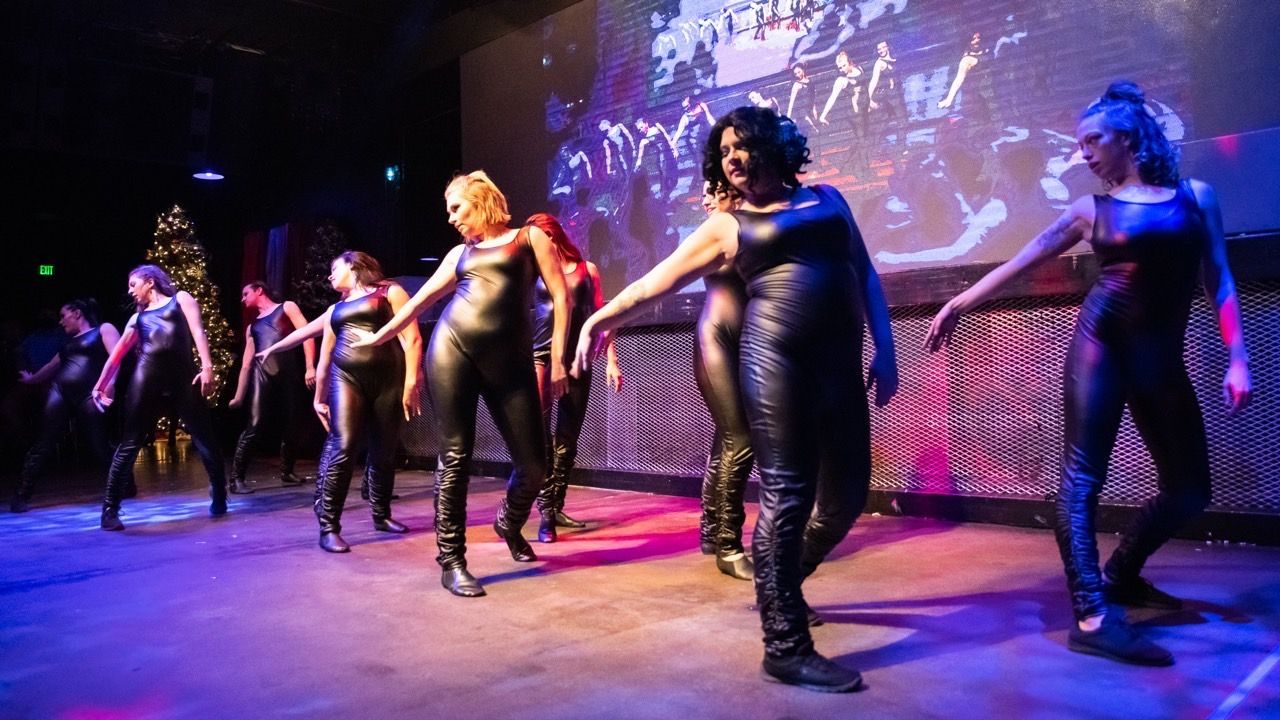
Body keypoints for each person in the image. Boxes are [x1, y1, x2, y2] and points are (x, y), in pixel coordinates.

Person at [925, 81, 1251, 666]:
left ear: (1128, 138)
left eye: (1093, 140)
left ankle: (1121, 574)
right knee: (1080, 482)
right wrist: (956, 303)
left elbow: (1218, 278)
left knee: (1191, 489)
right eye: (1079, 145)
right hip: (1099, 347)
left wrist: (1238, 357)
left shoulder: (1196, 197)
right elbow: (1021, 261)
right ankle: (1092, 613)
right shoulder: (1089, 211)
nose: (1085, 154)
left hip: (1160, 358)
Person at [574, 107, 897, 692]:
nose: (733, 159)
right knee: (789, 492)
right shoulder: (729, 224)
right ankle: (785, 644)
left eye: (742, 146)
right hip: (774, 361)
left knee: (847, 495)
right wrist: (598, 316)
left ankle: (781, 582)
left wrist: (888, 345)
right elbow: (655, 282)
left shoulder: (829, 199)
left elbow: (866, 273)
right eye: (724, 152)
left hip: (840, 366)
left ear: (774, 146)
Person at [350, 171, 570, 598]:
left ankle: (507, 522)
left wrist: (558, 359)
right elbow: (420, 301)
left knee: (534, 464)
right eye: (448, 212)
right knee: (456, 457)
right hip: (453, 350)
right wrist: (382, 334)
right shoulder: (458, 255)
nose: (451, 218)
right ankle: (452, 560)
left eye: (457, 208)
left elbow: (561, 297)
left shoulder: (529, 238)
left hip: (512, 362)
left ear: (481, 200)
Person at [90, 265, 228, 531]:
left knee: (204, 438)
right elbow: (116, 356)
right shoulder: (137, 319)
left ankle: (220, 495)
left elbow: (199, 332)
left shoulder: (182, 300)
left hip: (183, 378)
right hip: (147, 379)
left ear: (150, 282)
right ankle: (110, 510)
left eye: (133, 285)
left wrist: (207, 367)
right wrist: (99, 385)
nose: (130, 291)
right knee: (129, 443)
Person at [309, 252, 421, 553]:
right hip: (346, 378)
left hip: (389, 380)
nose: (330, 275)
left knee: (384, 449)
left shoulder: (390, 292)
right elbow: (324, 358)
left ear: (354, 265)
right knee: (344, 445)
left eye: (334, 269)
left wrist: (412, 381)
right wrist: (318, 397)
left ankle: (381, 515)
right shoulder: (336, 308)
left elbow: (412, 339)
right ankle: (328, 526)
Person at [523, 212, 622, 544]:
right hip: (541, 358)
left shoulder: (586, 270)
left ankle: (555, 506)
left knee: (567, 439)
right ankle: (546, 515)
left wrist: (612, 360)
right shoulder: (532, 271)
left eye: (542, 237)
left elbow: (600, 318)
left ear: (554, 237)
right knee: (541, 436)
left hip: (577, 360)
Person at [692, 182, 753, 582]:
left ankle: (711, 528)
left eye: (711, 191)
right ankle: (729, 545)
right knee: (741, 440)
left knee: (726, 438)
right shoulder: (713, 230)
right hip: (714, 339)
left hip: (745, 342)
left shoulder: (750, 226)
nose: (703, 199)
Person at [11, 300, 119, 512]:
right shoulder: (67, 342)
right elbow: (52, 366)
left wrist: (111, 384)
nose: (61, 322)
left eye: (63, 316)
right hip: (60, 392)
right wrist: (31, 380)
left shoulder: (103, 330)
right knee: (44, 441)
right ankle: (22, 494)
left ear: (77, 313)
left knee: (98, 444)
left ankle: (123, 483)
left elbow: (116, 358)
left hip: (90, 394)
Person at [227, 282, 317, 494]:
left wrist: (310, 366)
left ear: (259, 291)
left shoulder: (287, 307)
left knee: (293, 423)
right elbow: (247, 364)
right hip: (262, 375)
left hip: (288, 375)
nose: (243, 299)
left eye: (245, 293)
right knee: (255, 424)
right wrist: (238, 396)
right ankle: (236, 478)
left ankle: (287, 471)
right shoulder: (252, 327)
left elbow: (307, 335)